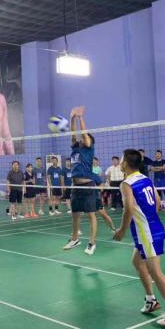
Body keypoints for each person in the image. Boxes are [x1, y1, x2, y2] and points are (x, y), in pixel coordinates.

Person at [113, 149, 165, 327]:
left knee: (155, 272)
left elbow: (129, 209)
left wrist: (122, 231)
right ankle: (151, 300)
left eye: (122, 160)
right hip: (153, 227)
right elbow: (158, 203)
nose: (120, 162)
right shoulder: (146, 179)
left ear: (125, 163)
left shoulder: (126, 183)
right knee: (137, 262)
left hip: (146, 233)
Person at [64, 106, 99, 255]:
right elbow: (74, 133)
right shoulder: (75, 148)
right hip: (75, 186)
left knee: (91, 214)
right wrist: (71, 117)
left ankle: (92, 243)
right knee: (75, 213)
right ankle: (75, 239)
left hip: (88, 185)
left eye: (85, 138)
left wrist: (80, 117)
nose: (82, 139)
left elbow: (84, 134)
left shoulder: (89, 149)